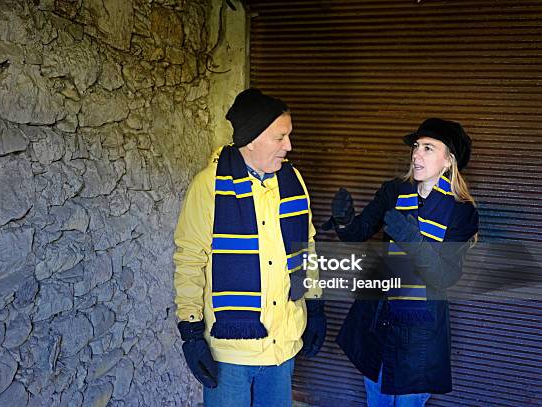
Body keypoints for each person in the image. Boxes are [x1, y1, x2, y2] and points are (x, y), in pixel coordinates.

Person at [173, 88, 326, 406]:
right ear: (252, 138)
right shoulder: (209, 186)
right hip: (230, 350)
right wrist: (190, 330)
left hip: (282, 346)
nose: (289, 146)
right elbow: (190, 259)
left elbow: (305, 248)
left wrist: (316, 305)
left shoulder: (293, 180)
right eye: (280, 137)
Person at [322, 118, 479, 406]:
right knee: (377, 399)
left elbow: (445, 276)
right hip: (380, 318)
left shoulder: (461, 213)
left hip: (419, 333)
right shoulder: (394, 192)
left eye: (428, 148)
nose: (417, 154)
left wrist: (412, 240)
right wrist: (344, 221)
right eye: (416, 147)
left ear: (448, 161)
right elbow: (358, 232)